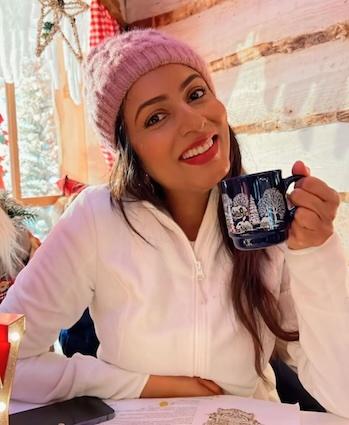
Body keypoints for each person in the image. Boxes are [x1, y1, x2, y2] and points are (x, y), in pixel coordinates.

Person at [1, 29, 348, 417]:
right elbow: (5, 360)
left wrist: (316, 253)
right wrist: (138, 384)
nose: (194, 121)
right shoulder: (97, 217)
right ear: (128, 148)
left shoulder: (266, 217)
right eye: (156, 117)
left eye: (196, 94)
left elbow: (343, 392)